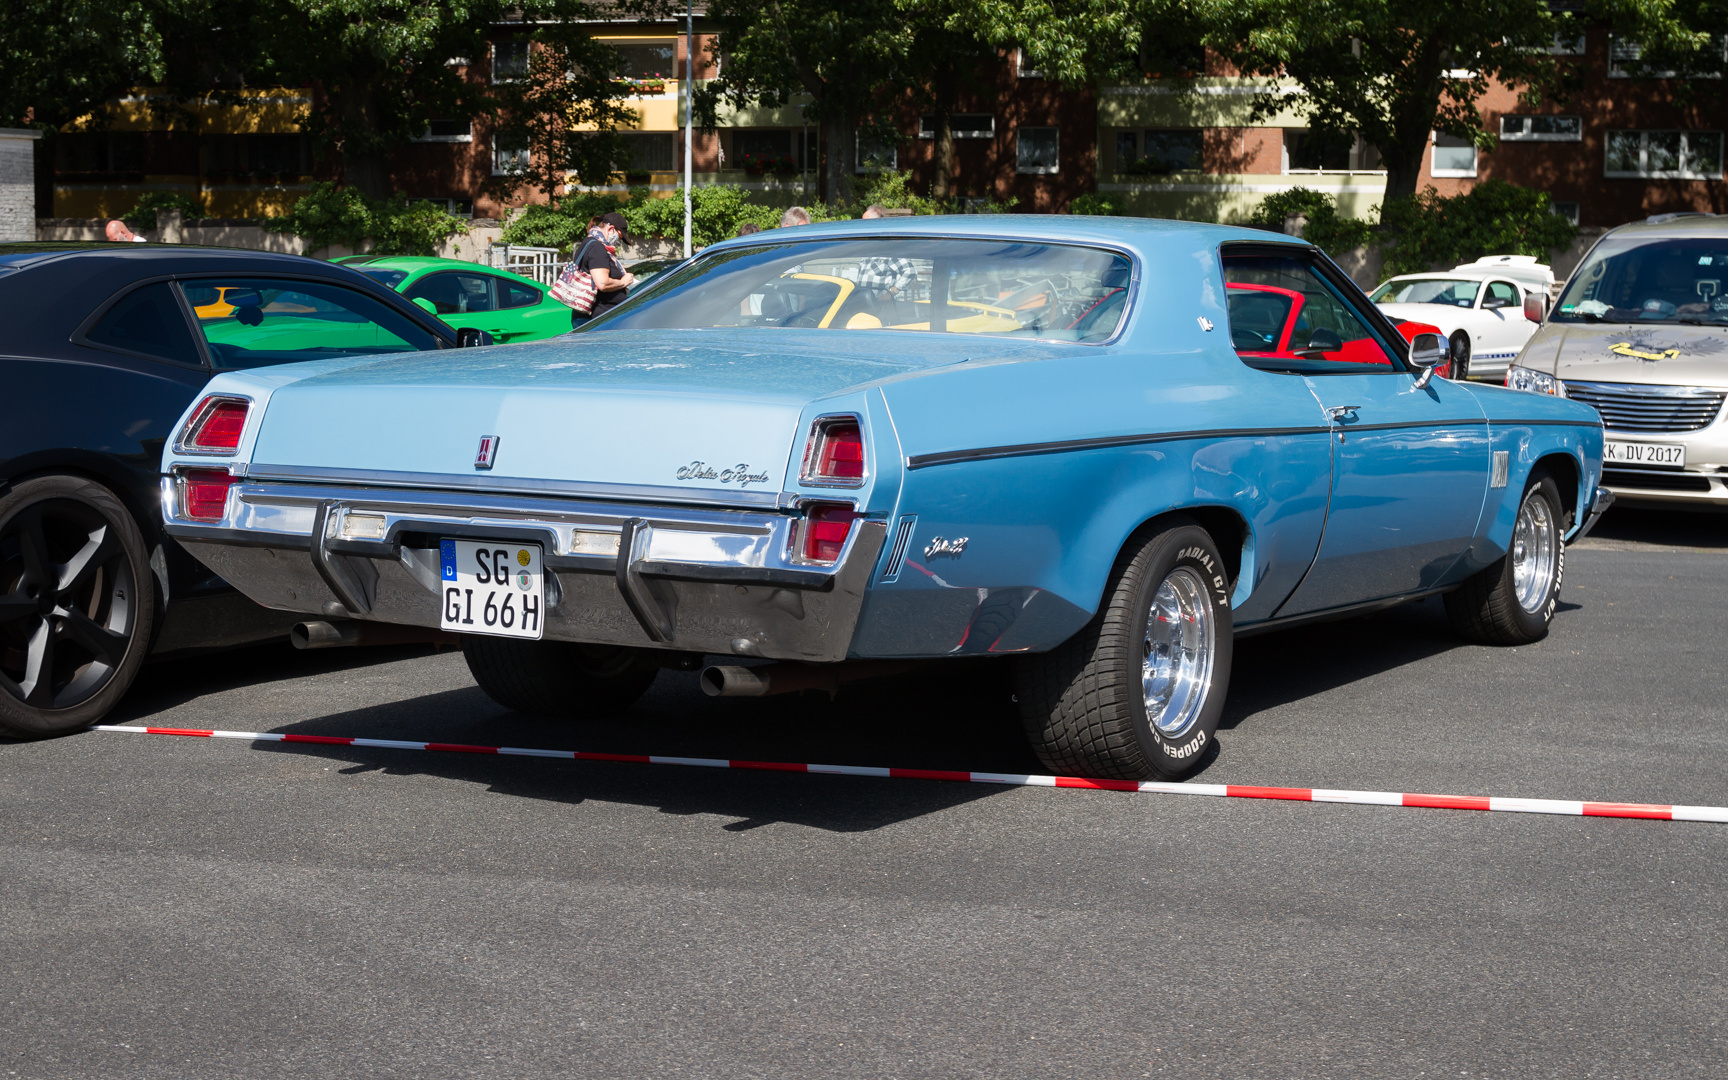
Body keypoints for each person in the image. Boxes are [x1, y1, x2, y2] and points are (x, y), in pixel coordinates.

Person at [571, 212, 634, 327]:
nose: (618, 242)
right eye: (619, 237)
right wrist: (623, 282)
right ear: (610, 229)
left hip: (591, 317)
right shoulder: (597, 247)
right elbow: (602, 284)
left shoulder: (588, 243)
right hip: (596, 319)